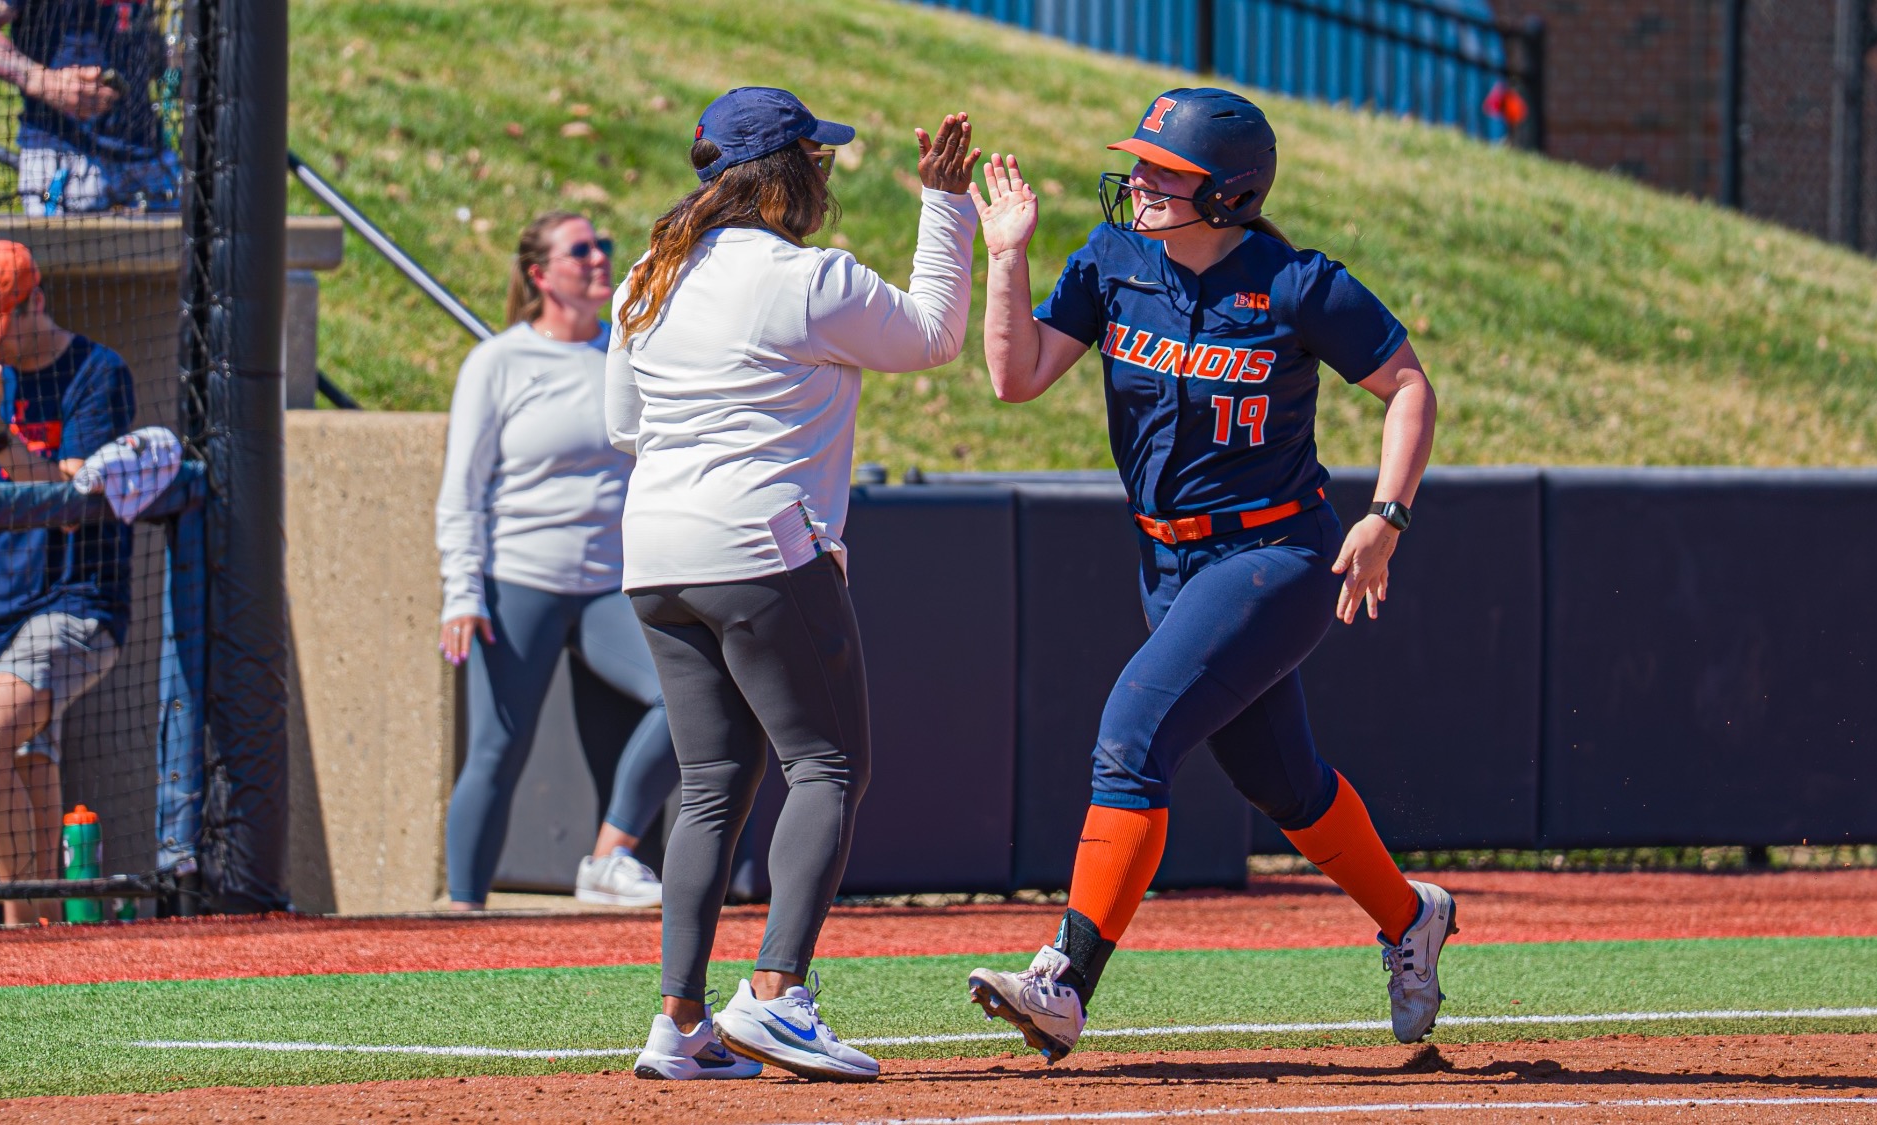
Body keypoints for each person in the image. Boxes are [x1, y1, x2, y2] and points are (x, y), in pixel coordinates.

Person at [962, 89, 1456, 1062]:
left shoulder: (1295, 284)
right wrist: (1008, 255)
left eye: (1164, 170)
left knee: (1130, 735)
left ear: (1227, 194)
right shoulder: (1111, 264)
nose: (1139, 179)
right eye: (1139, 162)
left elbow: (1406, 387)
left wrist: (1385, 517)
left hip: (1274, 555)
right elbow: (1014, 376)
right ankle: (1410, 916)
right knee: (1285, 786)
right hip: (1167, 560)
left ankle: (1064, 982)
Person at [606, 88, 977, 1083]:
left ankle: (678, 1024)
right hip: (758, 547)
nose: (826, 174)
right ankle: (776, 995)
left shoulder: (649, 271)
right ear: (787, 172)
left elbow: (622, 424)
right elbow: (934, 337)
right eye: (819, 157)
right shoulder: (806, 277)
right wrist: (946, 204)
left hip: (652, 553)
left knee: (708, 784)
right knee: (827, 768)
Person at [435, 211, 679, 911]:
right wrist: (463, 591)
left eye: (603, 245)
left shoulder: (626, 349)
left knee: (686, 697)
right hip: (518, 581)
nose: (600, 258)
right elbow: (462, 489)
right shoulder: (498, 361)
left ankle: (609, 856)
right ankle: (461, 912)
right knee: (496, 750)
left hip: (612, 585)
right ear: (541, 275)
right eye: (581, 251)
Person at [0, 239, 134, 925]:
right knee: (23, 758)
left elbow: (75, 506)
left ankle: (22, 941)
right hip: (3, 602)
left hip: (75, 604)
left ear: (35, 302)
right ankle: (41, 944)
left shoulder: (96, 374)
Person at [0, 0, 177, 215]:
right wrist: (40, 80)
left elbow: (139, 35)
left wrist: (180, 63)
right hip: (66, 159)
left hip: (148, 158)